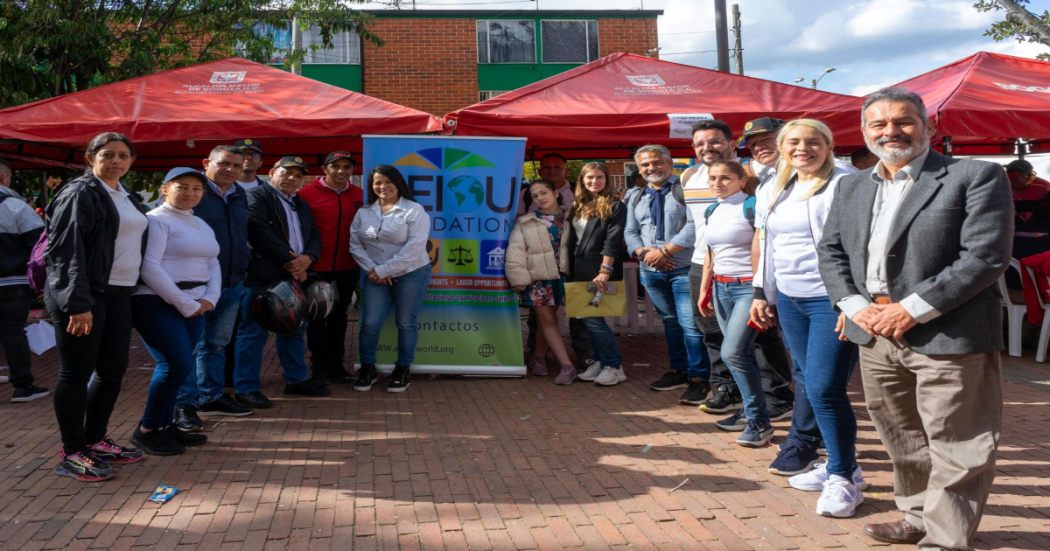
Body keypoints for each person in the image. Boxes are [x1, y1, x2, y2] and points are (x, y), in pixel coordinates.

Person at [818, 87, 1012, 548]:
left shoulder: (976, 176)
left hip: (948, 330)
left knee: (958, 441)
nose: (891, 132)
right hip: (875, 332)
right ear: (864, 132)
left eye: (903, 121)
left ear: (929, 127)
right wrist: (854, 306)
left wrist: (910, 309)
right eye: (878, 124)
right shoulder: (851, 185)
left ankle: (945, 539)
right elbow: (831, 252)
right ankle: (917, 516)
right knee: (901, 435)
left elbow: (984, 257)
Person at [751, 119, 865, 518]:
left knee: (825, 389)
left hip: (830, 301)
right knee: (808, 380)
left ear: (830, 145)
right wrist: (760, 293)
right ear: (781, 148)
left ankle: (844, 477)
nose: (804, 148)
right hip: (789, 299)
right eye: (794, 142)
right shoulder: (775, 186)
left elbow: (862, 247)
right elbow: (768, 244)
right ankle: (839, 462)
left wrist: (850, 302)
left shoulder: (847, 182)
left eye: (814, 142)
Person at [45, 132, 149, 481]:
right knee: (76, 373)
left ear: (131, 160)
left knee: (113, 370)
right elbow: (64, 251)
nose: (116, 161)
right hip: (84, 296)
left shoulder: (125, 195)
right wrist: (77, 303)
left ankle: (95, 440)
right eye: (107, 154)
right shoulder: (80, 193)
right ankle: (72, 451)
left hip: (118, 294)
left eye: (123, 155)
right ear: (91, 159)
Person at [683, 119, 793, 415]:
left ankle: (775, 394)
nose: (708, 147)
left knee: (762, 335)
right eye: (700, 143)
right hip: (705, 265)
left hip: (747, 273)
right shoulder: (689, 176)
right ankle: (727, 389)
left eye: (715, 141)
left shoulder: (752, 172)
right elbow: (693, 224)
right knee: (712, 333)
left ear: (732, 144)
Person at [130, 168, 218, 455]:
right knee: (175, 365)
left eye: (197, 188)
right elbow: (150, 267)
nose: (190, 193)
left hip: (195, 304)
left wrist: (210, 298)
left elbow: (213, 262)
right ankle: (147, 430)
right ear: (164, 188)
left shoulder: (201, 224)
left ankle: (165, 426)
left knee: (181, 365)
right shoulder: (156, 220)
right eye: (182, 186)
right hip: (155, 302)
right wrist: (186, 303)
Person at [174, 146, 253, 433]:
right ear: (207, 163)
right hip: (194, 284)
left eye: (237, 165)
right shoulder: (193, 190)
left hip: (230, 281)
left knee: (216, 344)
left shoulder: (238, 193)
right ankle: (184, 404)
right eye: (224, 164)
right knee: (189, 346)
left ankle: (212, 395)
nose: (231, 169)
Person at [624, 144, 711, 403]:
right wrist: (644, 253)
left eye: (656, 162)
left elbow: (696, 225)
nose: (652, 168)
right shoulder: (637, 197)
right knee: (670, 323)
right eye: (645, 165)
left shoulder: (684, 191)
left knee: (690, 324)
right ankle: (679, 370)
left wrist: (664, 253)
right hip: (650, 271)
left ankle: (699, 378)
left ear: (669, 162)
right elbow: (629, 232)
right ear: (639, 170)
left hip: (682, 268)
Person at [238, 156, 328, 399]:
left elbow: (315, 235)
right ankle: (246, 388)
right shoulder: (256, 196)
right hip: (262, 277)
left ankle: (296, 379)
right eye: (287, 172)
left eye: (298, 175)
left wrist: (308, 258)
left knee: (295, 329)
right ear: (272, 172)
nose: (292, 178)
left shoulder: (301, 203)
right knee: (253, 333)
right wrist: (292, 263)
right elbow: (259, 233)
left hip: (295, 276)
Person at [697, 160, 772, 447]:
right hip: (721, 288)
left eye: (725, 178)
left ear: (742, 181)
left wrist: (761, 293)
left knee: (734, 353)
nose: (717, 183)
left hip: (747, 289)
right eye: (713, 178)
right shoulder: (712, 209)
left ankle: (759, 421)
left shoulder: (751, 206)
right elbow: (711, 253)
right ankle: (752, 413)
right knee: (741, 355)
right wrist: (705, 289)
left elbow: (765, 249)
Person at [350, 165, 431, 393]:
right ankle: (367, 368)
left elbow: (415, 247)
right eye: (377, 182)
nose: (383, 186)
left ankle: (402, 368)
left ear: (398, 183)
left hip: (411, 273)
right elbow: (355, 245)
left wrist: (385, 270)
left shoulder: (414, 210)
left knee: (406, 323)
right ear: (371, 185)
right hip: (374, 275)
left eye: (388, 181)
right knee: (370, 323)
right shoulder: (364, 212)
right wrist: (374, 270)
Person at [519, 153, 592, 371]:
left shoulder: (582, 193)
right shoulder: (525, 194)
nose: (552, 170)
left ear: (565, 170)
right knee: (541, 315)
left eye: (557, 166)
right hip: (539, 268)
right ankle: (538, 355)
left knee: (579, 313)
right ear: (540, 170)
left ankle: (583, 356)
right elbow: (516, 221)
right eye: (547, 167)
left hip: (572, 266)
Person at [298, 151, 363, 385]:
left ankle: (337, 365)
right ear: (325, 169)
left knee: (339, 317)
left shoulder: (360, 195)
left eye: (347, 167)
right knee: (316, 318)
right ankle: (319, 365)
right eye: (335, 166)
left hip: (348, 267)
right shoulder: (305, 195)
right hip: (317, 268)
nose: (341, 171)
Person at [562, 163, 627, 386]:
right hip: (578, 269)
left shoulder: (615, 205)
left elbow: (613, 240)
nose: (595, 181)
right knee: (586, 319)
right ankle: (600, 361)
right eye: (590, 177)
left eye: (600, 177)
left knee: (595, 320)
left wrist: (605, 271)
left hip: (599, 270)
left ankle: (614, 366)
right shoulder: (578, 205)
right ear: (582, 180)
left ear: (607, 180)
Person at [507, 180, 577, 384]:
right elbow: (516, 251)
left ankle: (538, 357)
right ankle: (567, 366)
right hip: (538, 278)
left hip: (563, 276)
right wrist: (519, 279)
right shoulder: (526, 221)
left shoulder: (573, 218)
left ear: (556, 192)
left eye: (544, 193)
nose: (540, 198)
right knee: (547, 321)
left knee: (546, 322)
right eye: (535, 196)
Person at [0, 158, 48, 402]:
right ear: (4, 178)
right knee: (13, 332)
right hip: (12, 282)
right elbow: (41, 249)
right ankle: (23, 387)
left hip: (12, 282)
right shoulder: (16, 207)